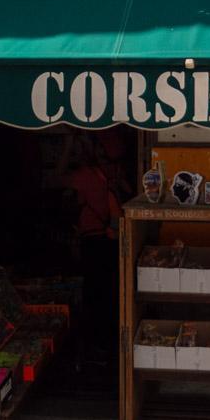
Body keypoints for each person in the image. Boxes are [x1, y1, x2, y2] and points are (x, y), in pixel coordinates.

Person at [64, 140, 122, 372]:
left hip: (93, 241)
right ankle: (105, 345)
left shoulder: (81, 177)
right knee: (106, 294)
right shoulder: (107, 175)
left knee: (93, 296)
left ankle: (95, 347)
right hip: (108, 241)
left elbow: (62, 191)